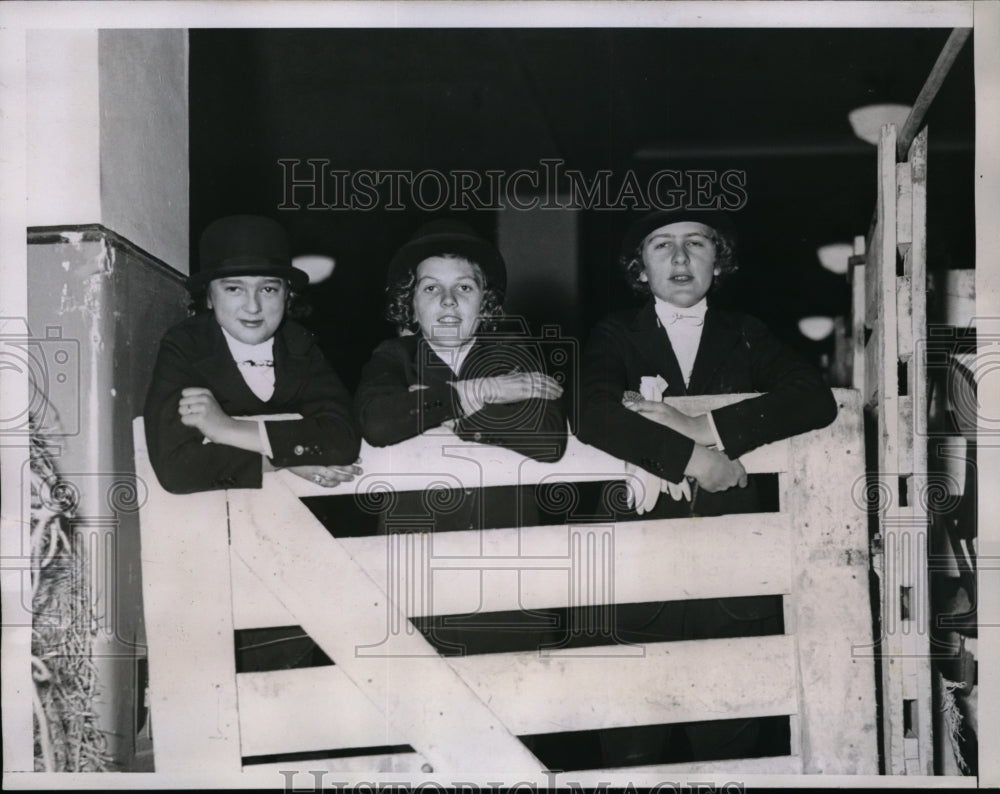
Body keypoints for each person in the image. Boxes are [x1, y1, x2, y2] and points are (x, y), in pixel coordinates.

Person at [576, 208, 838, 766]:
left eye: (696, 243)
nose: (678, 258)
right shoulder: (614, 334)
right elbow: (590, 412)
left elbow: (814, 398)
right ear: (640, 267)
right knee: (633, 743)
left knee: (732, 739)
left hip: (732, 574)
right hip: (638, 575)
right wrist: (695, 459)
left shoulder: (746, 334)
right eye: (661, 245)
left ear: (717, 262)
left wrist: (704, 427)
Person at [144, 214, 362, 496]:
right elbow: (176, 469)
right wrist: (282, 459)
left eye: (268, 289)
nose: (253, 306)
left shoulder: (298, 345)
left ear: (287, 295)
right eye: (234, 288)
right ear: (209, 296)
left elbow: (342, 440)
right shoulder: (186, 346)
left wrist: (226, 428)